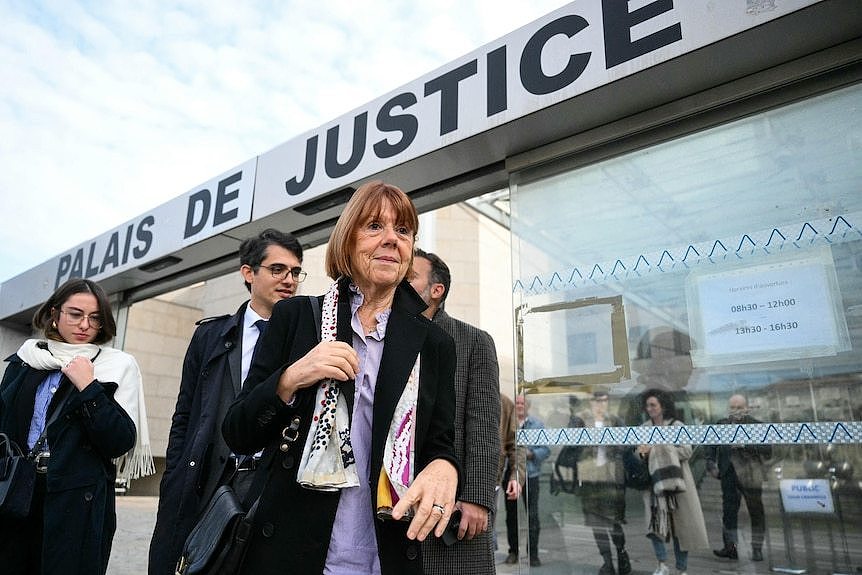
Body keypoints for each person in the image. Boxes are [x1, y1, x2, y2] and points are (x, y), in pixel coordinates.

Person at [222, 180, 460, 575]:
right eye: (374, 227)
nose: (391, 240)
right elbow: (239, 432)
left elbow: (440, 443)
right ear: (347, 240)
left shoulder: (433, 343)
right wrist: (291, 378)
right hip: (294, 551)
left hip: (386, 551)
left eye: (402, 231)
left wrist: (445, 467)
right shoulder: (296, 318)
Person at [148, 229, 304, 574]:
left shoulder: (305, 341)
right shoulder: (210, 335)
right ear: (248, 273)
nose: (289, 280)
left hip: (267, 485)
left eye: (295, 271)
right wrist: (175, 475)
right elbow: (185, 413)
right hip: (205, 481)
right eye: (278, 269)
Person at [0, 278, 153, 575]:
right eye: (75, 314)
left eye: (94, 318)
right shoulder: (26, 360)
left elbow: (120, 441)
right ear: (55, 315)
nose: (85, 324)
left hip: (76, 504)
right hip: (16, 494)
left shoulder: (115, 366)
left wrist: (88, 386)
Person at [409, 248, 501, 575]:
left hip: (453, 507)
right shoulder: (382, 338)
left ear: (437, 290)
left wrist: (477, 497)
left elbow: (484, 427)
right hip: (390, 505)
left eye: (410, 277)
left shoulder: (473, 341)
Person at [637, 389, 708, 575]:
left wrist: (658, 449)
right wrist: (643, 452)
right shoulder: (645, 427)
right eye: (647, 405)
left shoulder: (677, 426)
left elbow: (686, 451)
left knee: (680, 527)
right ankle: (662, 564)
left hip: (678, 483)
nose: (649, 408)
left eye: (653, 405)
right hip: (654, 484)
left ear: (663, 406)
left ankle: (682, 569)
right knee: (655, 526)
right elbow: (640, 453)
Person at [570, 390, 632, 575]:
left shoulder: (615, 421)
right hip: (590, 478)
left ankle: (621, 553)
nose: (600, 405)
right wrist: (588, 445)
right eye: (597, 401)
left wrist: (612, 444)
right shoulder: (580, 420)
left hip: (611, 478)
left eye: (604, 401)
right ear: (591, 402)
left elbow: (626, 444)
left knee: (613, 520)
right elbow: (572, 445)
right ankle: (607, 561)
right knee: (595, 522)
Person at [707, 394, 771, 562]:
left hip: (750, 475)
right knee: (729, 513)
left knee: (756, 512)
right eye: (733, 407)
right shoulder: (721, 425)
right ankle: (731, 548)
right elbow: (711, 447)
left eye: (739, 407)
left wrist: (745, 444)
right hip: (728, 474)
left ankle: (756, 549)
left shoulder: (757, 426)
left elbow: (767, 451)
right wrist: (711, 465)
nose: (735, 411)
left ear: (747, 408)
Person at [504, 394, 550, 567]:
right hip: (510, 476)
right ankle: (513, 552)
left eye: (523, 403)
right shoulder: (508, 422)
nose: (520, 405)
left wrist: (531, 455)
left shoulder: (537, 425)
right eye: (517, 403)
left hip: (531, 477)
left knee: (533, 516)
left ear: (528, 405)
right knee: (511, 517)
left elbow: (545, 450)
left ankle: (533, 554)